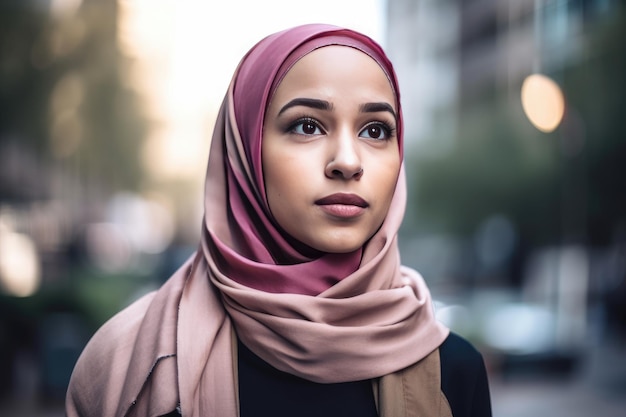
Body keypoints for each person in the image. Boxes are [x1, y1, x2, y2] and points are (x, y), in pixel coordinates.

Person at [65, 23, 492, 417]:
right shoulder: (126, 367)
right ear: (245, 151)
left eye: (375, 131)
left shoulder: (454, 373)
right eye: (307, 126)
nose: (347, 161)